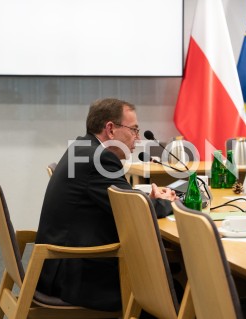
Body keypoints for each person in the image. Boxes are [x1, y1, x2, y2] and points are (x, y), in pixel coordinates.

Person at [35, 98, 177, 311]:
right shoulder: (99, 159)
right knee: (171, 292)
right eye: (134, 130)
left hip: (57, 265)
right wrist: (167, 204)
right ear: (110, 129)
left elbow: (120, 199)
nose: (137, 139)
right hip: (77, 277)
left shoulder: (83, 148)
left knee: (168, 274)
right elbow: (135, 213)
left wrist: (148, 199)